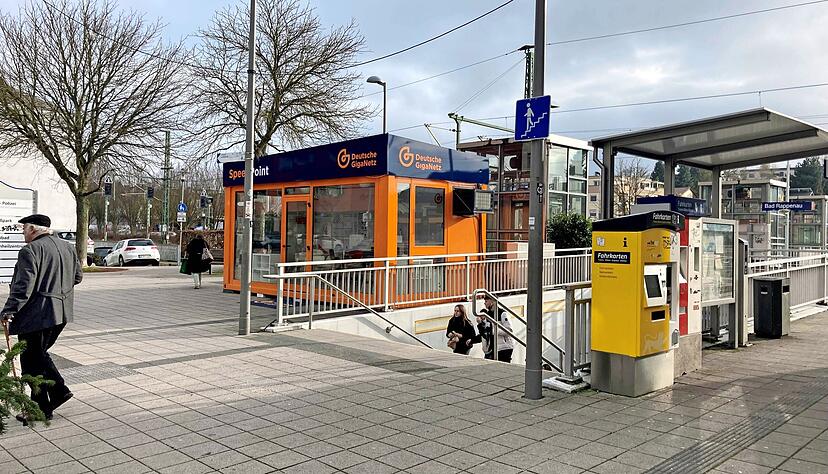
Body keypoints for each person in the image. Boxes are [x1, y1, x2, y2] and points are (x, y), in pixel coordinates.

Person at [1, 214, 82, 422]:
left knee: (32, 360)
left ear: (34, 229)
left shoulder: (30, 250)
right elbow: (78, 277)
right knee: (36, 357)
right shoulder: (67, 246)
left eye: (24, 229)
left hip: (37, 315)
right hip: (61, 313)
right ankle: (51, 399)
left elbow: (23, 287)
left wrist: (8, 311)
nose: (22, 233)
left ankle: (53, 397)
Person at [477, 295, 514, 363]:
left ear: (493, 301)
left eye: (486, 301)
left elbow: (509, 330)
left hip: (504, 347)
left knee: (503, 369)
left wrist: (493, 331)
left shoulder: (502, 313)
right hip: (492, 348)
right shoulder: (488, 314)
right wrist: (480, 324)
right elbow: (485, 332)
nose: (484, 303)